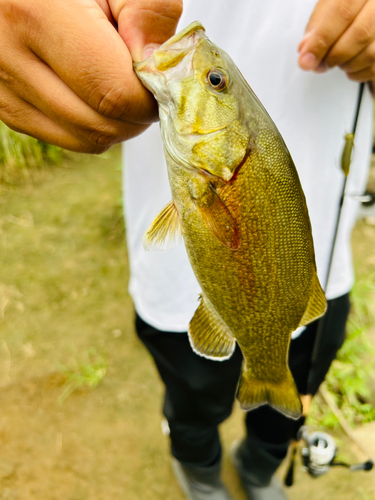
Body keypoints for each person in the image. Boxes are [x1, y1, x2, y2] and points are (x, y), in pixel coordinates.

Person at [0, 1, 373, 499]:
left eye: (215, 81)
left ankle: (260, 468)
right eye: (217, 82)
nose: (195, 41)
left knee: (292, 391)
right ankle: (199, 471)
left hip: (322, 257)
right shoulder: (211, 170)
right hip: (179, 290)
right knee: (192, 396)